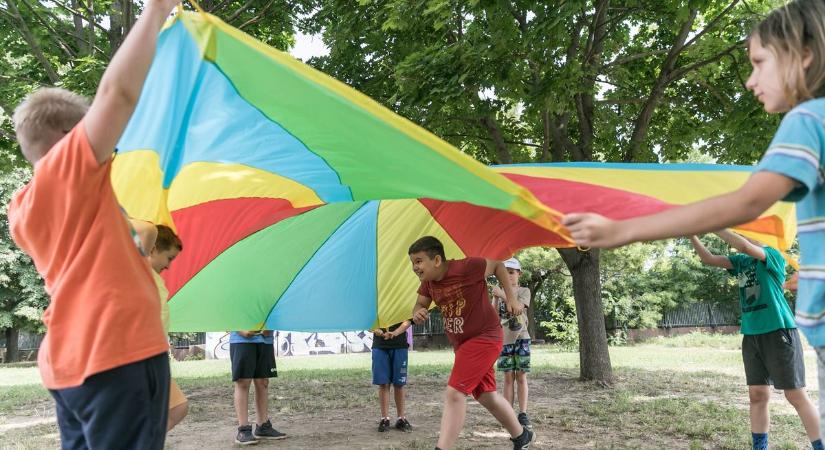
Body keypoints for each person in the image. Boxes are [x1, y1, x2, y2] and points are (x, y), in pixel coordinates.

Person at [561, 1, 825, 445]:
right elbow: (716, 251)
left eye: (760, 62)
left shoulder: (808, 119)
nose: (750, 79)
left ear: (803, 55)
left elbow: (746, 203)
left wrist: (623, 229)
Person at [7, 0, 178, 447]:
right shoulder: (68, 169)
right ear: (68, 139)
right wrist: (157, 11)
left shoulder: (21, 206)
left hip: (70, 361)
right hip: (114, 349)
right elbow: (117, 95)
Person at [691, 231, 821, 449]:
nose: (745, 233)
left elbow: (744, 246)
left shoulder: (773, 255)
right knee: (757, 394)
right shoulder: (741, 262)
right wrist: (691, 235)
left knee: (795, 394)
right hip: (751, 334)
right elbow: (708, 259)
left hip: (778, 332)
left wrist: (713, 224)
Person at [409, 236, 534, 450]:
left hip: (485, 337)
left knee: (455, 392)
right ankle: (522, 436)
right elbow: (420, 303)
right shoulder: (428, 284)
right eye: (413, 262)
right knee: (486, 396)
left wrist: (511, 298)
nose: (415, 267)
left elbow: (497, 265)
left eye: (419, 261)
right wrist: (418, 312)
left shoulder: (467, 267)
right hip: (463, 344)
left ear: (437, 260)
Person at [147, 224, 189, 431]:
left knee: (178, 408)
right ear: (152, 249)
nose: (170, 266)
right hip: (141, 357)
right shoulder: (137, 271)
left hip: (156, 355)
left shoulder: (154, 277)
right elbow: (144, 230)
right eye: (169, 258)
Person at [491, 258, 533, 430]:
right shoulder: (500, 292)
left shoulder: (524, 290)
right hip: (505, 339)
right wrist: (495, 297)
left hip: (522, 337)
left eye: (511, 272)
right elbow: (494, 315)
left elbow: (518, 307)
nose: (508, 276)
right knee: (508, 377)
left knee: (521, 376)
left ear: (519, 274)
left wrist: (502, 294)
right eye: (504, 273)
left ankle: (522, 413)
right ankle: (508, 413)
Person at [230, 329, 286, 445]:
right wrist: (240, 330)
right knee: (243, 382)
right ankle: (243, 430)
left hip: (265, 340)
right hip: (242, 340)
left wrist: (270, 327)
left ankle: (263, 426)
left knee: (263, 382)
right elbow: (228, 313)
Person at [372, 320, 413, 432]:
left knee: (399, 384)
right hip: (380, 346)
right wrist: (376, 330)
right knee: (383, 383)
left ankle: (401, 419)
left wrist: (395, 332)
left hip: (399, 345)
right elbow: (367, 321)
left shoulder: (403, 303)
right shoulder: (376, 303)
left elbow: (408, 321)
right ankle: (384, 419)